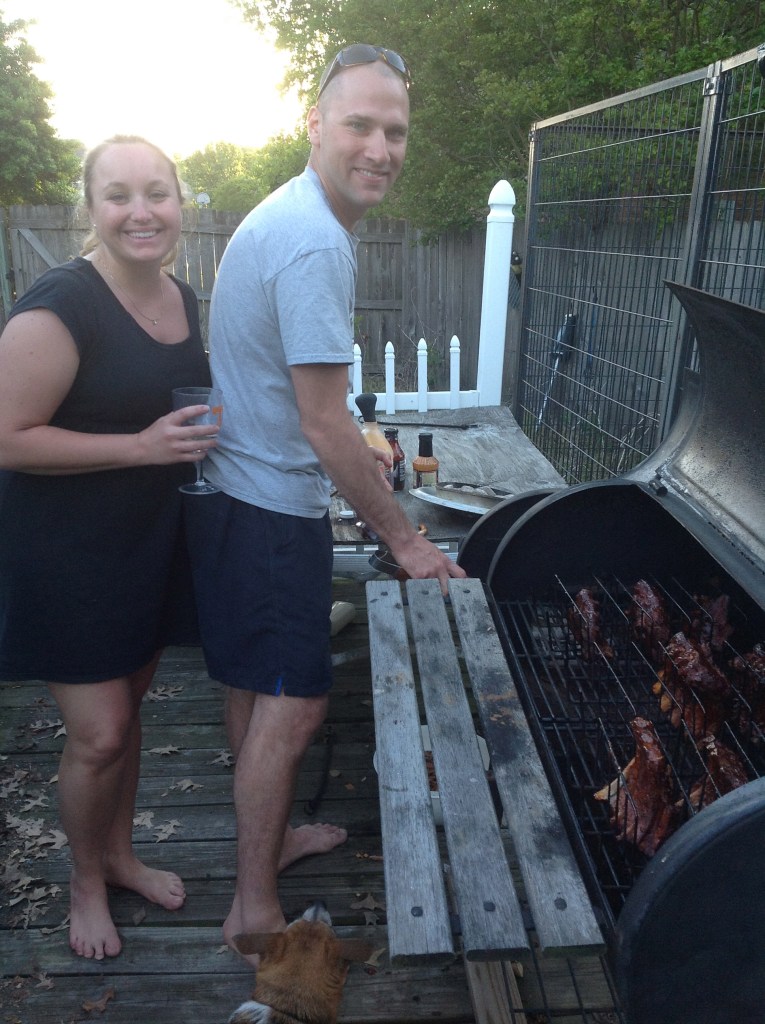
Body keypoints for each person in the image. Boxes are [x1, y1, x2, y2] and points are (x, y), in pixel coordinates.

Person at [185, 44, 467, 956]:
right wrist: (408, 545)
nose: (381, 147)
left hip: (232, 494)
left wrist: (356, 433)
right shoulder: (313, 239)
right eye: (360, 124)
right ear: (315, 125)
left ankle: (267, 841)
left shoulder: (291, 215)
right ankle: (253, 910)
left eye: (395, 131)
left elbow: (307, 399)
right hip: (269, 510)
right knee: (296, 704)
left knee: (252, 686)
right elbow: (318, 423)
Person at [0, 135, 218, 960]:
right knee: (97, 733)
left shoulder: (184, 299)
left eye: (156, 192)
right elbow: (7, 437)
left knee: (126, 720)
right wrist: (139, 447)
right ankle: (85, 882)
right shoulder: (62, 302)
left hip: (145, 541)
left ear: (179, 204)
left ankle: (121, 854)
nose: (141, 211)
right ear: (88, 207)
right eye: (119, 194)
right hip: (64, 552)